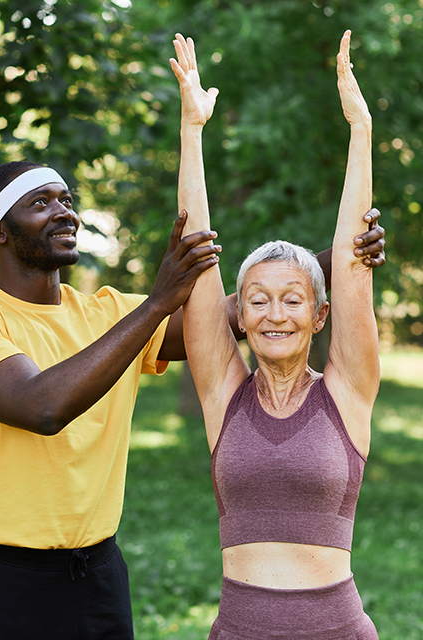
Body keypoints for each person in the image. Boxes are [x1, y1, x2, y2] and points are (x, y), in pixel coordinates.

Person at [0, 82, 384, 640]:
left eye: (67, 200)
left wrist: (347, 257)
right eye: (41, 203)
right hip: (10, 579)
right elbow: (43, 407)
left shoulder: (108, 313)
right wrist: (159, 302)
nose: (65, 213)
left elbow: (239, 312)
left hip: (99, 573)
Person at [171, 30, 380, 639]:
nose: (274, 314)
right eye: (258, 301)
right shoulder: (224, 397)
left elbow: (352, 264)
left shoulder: (347, 393)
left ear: (320, 315)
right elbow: (197, 261)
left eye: (293, 300)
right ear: (241, 316)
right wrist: (192, 130)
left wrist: (361, 130)